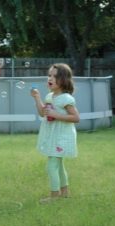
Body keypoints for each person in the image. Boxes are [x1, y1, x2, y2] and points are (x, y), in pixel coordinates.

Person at [30, 63, 80, 203]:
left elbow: (76, 118)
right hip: (53, 135)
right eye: (49, 75)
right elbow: (43, 113)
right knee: (59, 164)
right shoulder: (49, 96)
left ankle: (54, 196)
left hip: (62, 137)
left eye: (55, 76)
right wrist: (37, 98)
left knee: (52, 165)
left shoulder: (66, 99)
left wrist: (56, 114)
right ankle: (65, 192)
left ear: (64, 79)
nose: (50, 78)